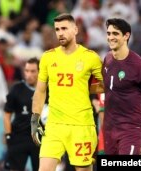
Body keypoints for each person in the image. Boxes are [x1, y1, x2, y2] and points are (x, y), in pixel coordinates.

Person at [31, 13, 103, 171]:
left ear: (75, 30)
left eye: (64, 28)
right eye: (57, 29)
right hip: (54, 125)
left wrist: (86, 89)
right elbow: (40, 91)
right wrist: (34, 119)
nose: (60, 33)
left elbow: (106, 86)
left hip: (81, 125)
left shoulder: (91, 58)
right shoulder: (47, 58)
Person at [102, 18, 141, 155]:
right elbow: (108, 90)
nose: (110, 37)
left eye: (115, 34)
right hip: (109, 129)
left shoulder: (139, 65)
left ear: (126, 36)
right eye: (108, 33)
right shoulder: (107, 59)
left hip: (130, 129)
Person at [3, 57, 40, 171]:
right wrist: (8, 136)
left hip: (40, 139)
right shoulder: (16, 89)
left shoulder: (48, 90)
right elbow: (7, 115)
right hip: (19, 137)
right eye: (26, 71)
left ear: (40, 72)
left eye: (33, 71)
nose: (28, 74)